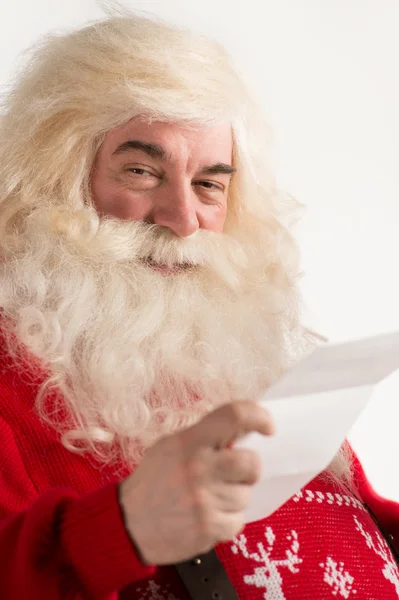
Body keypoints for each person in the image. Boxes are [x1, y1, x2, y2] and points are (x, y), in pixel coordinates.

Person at [0, 11, 398, 600]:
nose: (183, 219)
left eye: (209, 184)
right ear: (53, 180)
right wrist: (121, 528)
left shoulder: (243, 356)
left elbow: (353, 528)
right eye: (140, 171)